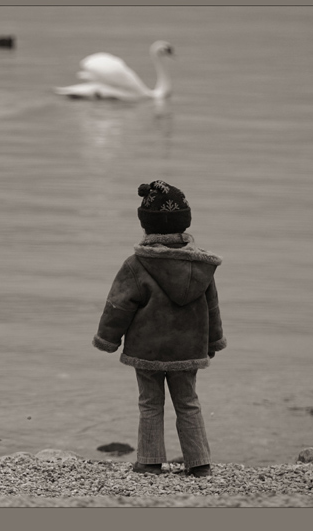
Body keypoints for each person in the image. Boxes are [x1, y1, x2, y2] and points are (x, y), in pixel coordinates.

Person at [92, 180, 226, 477]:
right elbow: (211, 307)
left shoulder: (137, 264)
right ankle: (199, 463)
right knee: (188, 402)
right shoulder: (200, 266)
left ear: (146, 225)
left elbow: (119, 306)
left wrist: (107, 339)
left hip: (147, 349)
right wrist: (213, 342)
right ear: (184, 222)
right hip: (188, 348)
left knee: (150, 404)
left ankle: (149, 462)